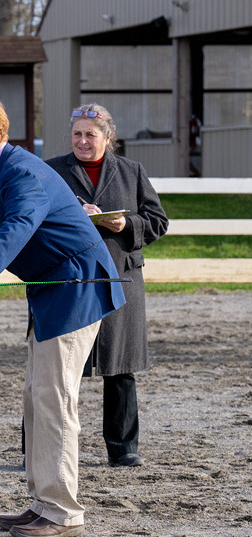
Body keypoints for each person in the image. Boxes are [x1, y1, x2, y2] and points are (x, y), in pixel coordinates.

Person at [0, 94, 125, 537]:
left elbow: (21, 222)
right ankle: (43, 502)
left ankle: (62, 511)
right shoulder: (0, 173)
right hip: (55, 292)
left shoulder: (21, 172)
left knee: (54, 399)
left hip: (76, 290)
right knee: (38, 396)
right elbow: (13, 232)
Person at [46, 103, 169, 468]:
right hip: (70, 281)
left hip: (121, 277)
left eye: (90, 134)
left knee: (121, 367)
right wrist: (71, 218)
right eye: (77, 134)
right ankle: (41, 447)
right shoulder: (53, 171)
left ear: (107, 137)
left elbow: (157, 222)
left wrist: (126, 225)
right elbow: (36, 220)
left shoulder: (132, 172)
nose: (83, 141)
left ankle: (123, 447)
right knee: (56, 369)